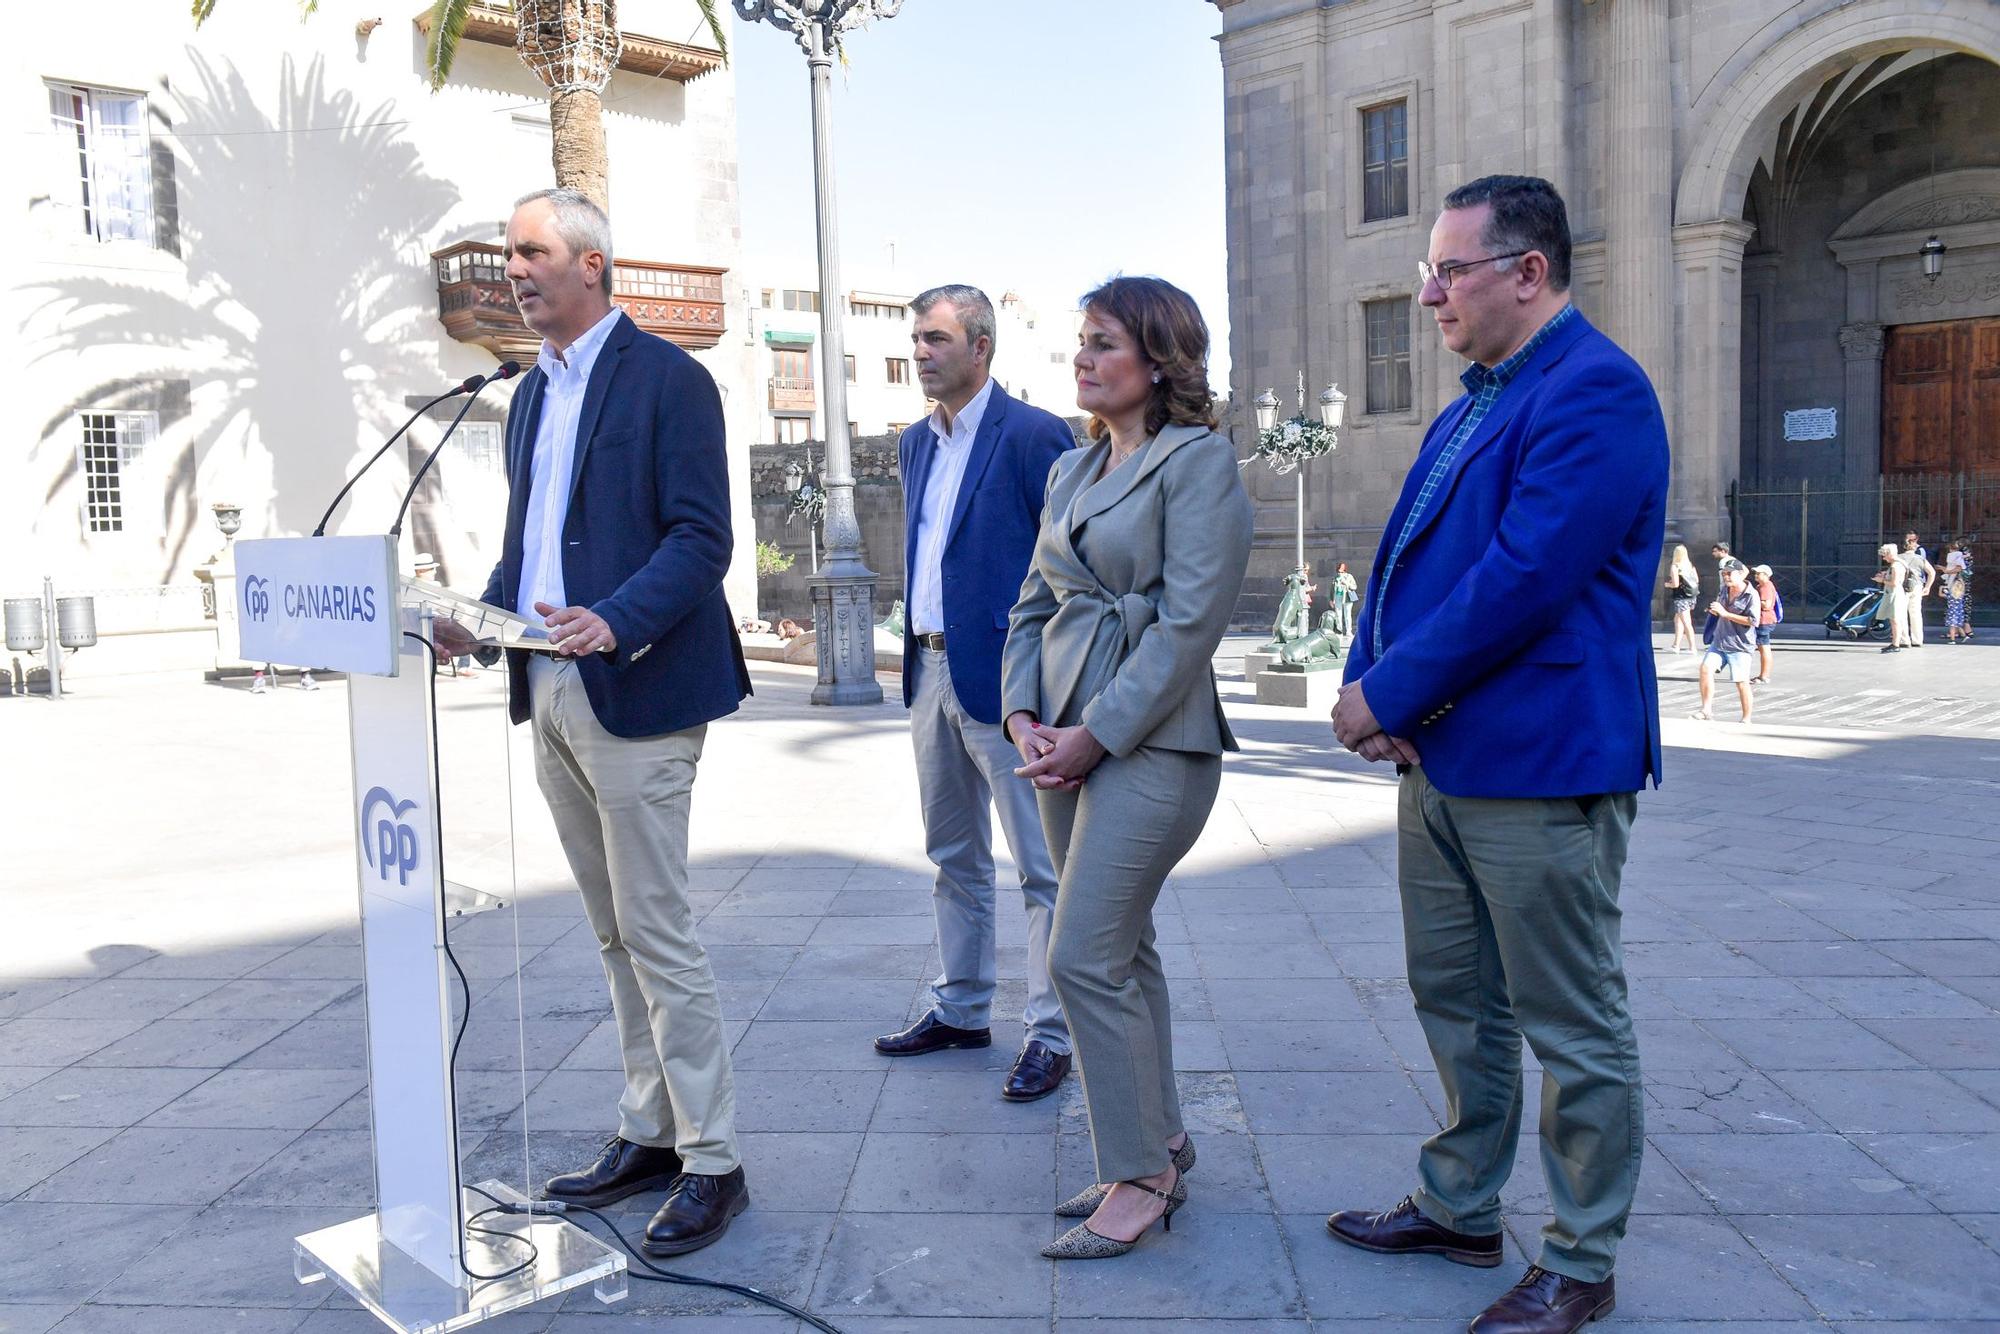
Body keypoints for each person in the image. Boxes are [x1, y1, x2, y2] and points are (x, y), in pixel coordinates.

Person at [1327, 176, 1662, 1334]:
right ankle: (1459, 1203)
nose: (1428, 294)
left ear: (1527, 271)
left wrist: (1385, 691)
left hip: (1541, 760)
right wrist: (1367, 679)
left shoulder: (1595, 389)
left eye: (1447, 270)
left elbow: (1522, 579)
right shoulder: (1474, 400)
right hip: (1441, 757)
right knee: (1455, 997)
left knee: (1570, 1020)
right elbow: (1402, 562)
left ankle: (1579, 1258)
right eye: (1428, 271)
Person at [441, 188, 753, 1257]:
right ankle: (650, 1131)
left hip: (638, 684)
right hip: (547, 683)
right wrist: (478, 621)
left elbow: (701, 538)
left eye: (531, 251)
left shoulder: (670, 378)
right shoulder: (529, 392)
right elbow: (531, 546)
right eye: (508, 253)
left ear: (591, 265)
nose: (512, 269)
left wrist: (617, 619)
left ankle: (714, 1159)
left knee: (657, 928)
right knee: (613, 930)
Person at [1002, 275, 1251, 1261]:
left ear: (1159, 357)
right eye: (1081, 339)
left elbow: (1190, 624)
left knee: (1079, 955)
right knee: (1123, 948)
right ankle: (1162, 1142)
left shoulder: (1199, 462)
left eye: (1103, 341)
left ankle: (1139, 1176)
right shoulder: (1071, 468)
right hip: (1060, 735)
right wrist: (1022, 713)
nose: (1083, 357)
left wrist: (1093, 733)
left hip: (1153, 741)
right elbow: (1032, 603)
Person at [871, 284, 1077, 1103]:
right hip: (929, 673)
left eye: (935, 339)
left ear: (981, 346)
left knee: (1041, 867)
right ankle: (960, 1009)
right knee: (952, 856)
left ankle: (1052, 1033)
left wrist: (1042, 684)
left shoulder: (1034, 435)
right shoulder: (915, 444)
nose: (920, 353)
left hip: (1010, 684)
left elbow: (1063, 570)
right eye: (917, 340)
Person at [1694, 559, 1758, 722]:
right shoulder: (1724, 589)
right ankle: (1706, 710)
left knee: (1741, 682)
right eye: (1724, 574)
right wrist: (1715, 611)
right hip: (1720, 641)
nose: (1726, 577)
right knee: (1705, 669)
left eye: (1729, 574)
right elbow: (1720, 610)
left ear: (1740, 574)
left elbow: (1753, 621)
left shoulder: (1751, 595)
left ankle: (1746, 718)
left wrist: (1726, 614)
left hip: (1740, 645)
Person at [1900, 532, 1936, 647]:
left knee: (1902, 613)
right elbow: (1932, 572)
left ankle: (1904, 639)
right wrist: (1927, 587)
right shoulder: (1920, 558)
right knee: (1915, 613)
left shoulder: (1899, 558)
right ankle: (1917, 639)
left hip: (1902, 587)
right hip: (1917, 586)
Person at [1749, 563, 1781, 684]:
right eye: (1756, 573)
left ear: (1766, 575)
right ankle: (1764, 675)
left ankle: (1764, 676)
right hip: (1766, 620)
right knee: (1764, 647)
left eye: (1759, 573)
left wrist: (1753, 599)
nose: (1756, 575)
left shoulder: (1765, 587)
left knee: (1764, 648)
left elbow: (1766, 605)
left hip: (1764, 620)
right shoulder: (1764, 586)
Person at [1873, 542, 1908, 653]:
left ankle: (1896, 644)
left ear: (1890, 554)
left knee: (1895, 619)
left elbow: (1894, 583)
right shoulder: (1899, 564)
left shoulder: (1895, 566)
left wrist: (1882, 580)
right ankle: (1895, 643)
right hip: (1894, 593)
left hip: (1895, 594)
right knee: (1894, 619)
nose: (1884, 558)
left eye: (1884, 555)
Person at [1665, 544, 1699, 653]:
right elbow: (1696, 580)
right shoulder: (1690, 565)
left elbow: (1675, 584)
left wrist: (1667, 585)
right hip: (1691, 596)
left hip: (1681, 598)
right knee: (1678, 620)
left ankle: (1692, 647)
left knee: (1686, 622)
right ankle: (1676, 645)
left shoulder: (1675, 567)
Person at [1944, 536, 1974, 643]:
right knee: (1962, 605)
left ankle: (1957, 630)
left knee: (1955, 605)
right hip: (1964, 583)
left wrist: (1946, 571)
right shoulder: (1967, 554)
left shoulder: (1958, 554)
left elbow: (1958, 568)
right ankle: (1964, 629)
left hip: (1957, 583)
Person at [1332, 560, 1360, 636]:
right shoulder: (1335, 577)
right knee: (1338, 614)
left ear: (1344, 569)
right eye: (1339, 570)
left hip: (1347, 597)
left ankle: (1348, 631)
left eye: (1341, 570)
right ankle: (1339, 630)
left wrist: (1346, 583)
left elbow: (1354, 587)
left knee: (1347, 614)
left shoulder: (1349, 576)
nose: (1340, 572)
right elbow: (1332, 589)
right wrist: (1331, 599)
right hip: (1337, 596)